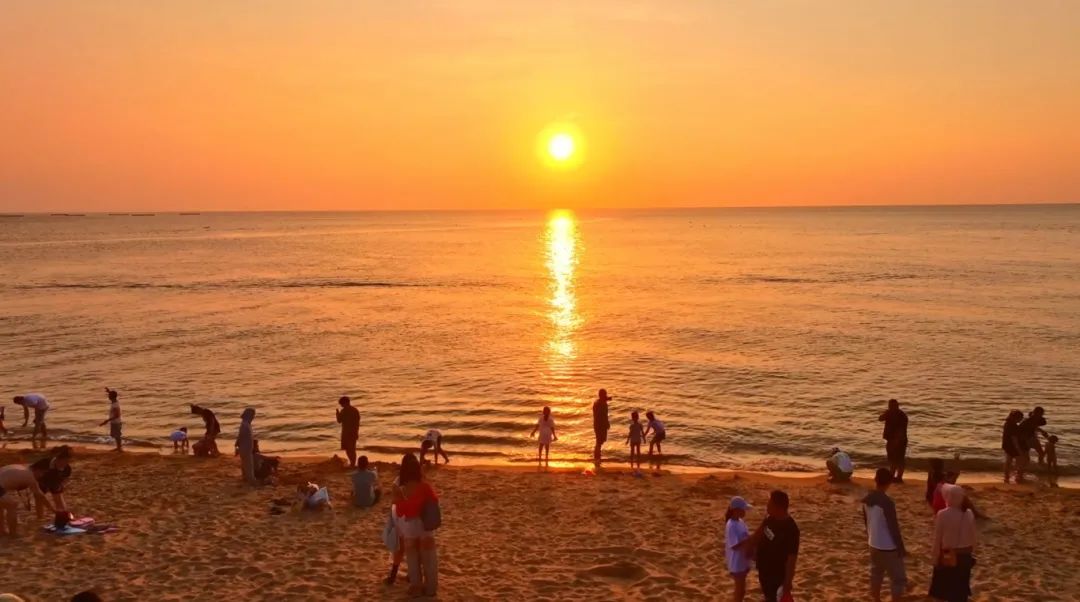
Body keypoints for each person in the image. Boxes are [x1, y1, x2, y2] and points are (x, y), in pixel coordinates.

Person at [393, 453, 439, 597]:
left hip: (410, 527)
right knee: (429, 558)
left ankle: (416, 588)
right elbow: (434, 502)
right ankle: (431, 588)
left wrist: (405, 502)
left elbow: (399, 511)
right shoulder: (425, 487)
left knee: (412, 559)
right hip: (424, 525)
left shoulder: (402, 489)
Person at [741, 490, 799, 602]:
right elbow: (757, 536)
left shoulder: (791, 529)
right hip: (764, 569)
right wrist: (747, 547)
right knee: (768, 596)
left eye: (770, 504)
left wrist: (788, 581)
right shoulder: (770, 519)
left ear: (779, 507)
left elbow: (791, 559)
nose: (767, 506)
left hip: (777, 574)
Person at [864, 467, 907, 602]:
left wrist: (870, 537)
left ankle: (876, 599)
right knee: (898, 579)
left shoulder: (867, 499)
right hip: (888, 547)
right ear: (889, 482)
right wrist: (901, 547)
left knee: (876, 573)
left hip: (873, 543)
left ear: (875, 480)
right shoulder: (887, 503)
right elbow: (893, 527)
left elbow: (866, 522)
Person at [929, 484, 977, 602]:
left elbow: (938, 539)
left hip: (948, 555)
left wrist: (935, 557)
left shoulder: (942, 514)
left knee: (943, 589)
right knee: (960, 590)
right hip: (965, 555)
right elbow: (973, 537)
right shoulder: (969, 513)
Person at [0, 459, 59, 535]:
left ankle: (2, 531)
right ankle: (13, 534)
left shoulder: (24, 468)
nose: (41, 476)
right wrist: (53, 510)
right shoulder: (30, 476)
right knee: (12, 505)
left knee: (2, 505)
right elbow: (39, 495)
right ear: (38, 470)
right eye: (43, 473)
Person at [29, 446, 72, 517]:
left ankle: (62, 515)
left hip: (56, 481)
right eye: (62, 461)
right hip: (42, 481)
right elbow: (32, 469)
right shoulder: (45, 462)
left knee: (58, 497)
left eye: (67, 461)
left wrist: (61, 485)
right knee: (39, 498)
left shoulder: (67, 469)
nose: (64, 464)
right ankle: (40, 516)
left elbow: (65, 479)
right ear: (57, 459)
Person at [725, 496, 753, 602]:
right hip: (736, 563)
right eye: (743, 509)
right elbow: (734, 545)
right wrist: (749, 541)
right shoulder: (731, 525)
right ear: (736, 510)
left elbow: (745, 536)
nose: (745, 512)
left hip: (742, 561)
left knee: (741, 590)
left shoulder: (740, 521)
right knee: (739, 591)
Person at [878, 399, 908, 483]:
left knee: (899, 459)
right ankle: (893, 476)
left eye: (891, 406)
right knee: (893, 459)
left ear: (896, 406)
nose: (890, 407)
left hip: (899, 440)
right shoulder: (889, 413)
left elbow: (901, 430)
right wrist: (887, 412)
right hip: (891, 440)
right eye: (889, 406)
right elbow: (880, 418)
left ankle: (898, 477)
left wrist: (897, 441)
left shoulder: (901, 416)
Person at [335, 395, 361, 468]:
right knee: (352, 449)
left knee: (348, 449)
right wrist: (356, 432)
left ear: (344, 403)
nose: (341, 405)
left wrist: (337, 414)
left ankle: (352, 464)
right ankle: (353, 463)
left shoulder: (344, 411)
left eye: (341, 404)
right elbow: (357, 421)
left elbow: (339, 420)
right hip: (354, 432)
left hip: (346, 433)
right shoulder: (355, 410)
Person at [1002, 410, 1024, 483]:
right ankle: (1018, 476)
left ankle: (1006, 477)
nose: (1021, 419)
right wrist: (1018, 448)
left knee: (1008, 461)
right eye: (1021, 418)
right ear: (1016, 418)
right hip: (1012, 445)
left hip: (1006, 444)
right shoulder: (1013, 426)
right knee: (1020, 461)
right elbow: (1014, 438)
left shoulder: (1007, 423)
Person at [235, 408, 256, 484]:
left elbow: (240, 437)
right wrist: (237, 446)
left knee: (245, 465)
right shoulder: (245, 425)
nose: (253, 417)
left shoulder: (245, 424)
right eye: (252, 415)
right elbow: (240, 437)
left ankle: (246, 478)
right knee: (249, 465)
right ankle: (251, 481)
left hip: (246, 449)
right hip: (245, 449)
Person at [100, 388, 123, 452]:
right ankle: (118, 447)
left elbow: (117, 415)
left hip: (116, 422)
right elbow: (114, 395)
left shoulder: (115, 405)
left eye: (109, 395)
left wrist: (107, 420)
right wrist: (109, 391)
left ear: (111, 397)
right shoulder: (114, 402)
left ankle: (119, 448)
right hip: (114, 422)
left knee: (117, 435)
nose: (108, 396)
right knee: (115, 435)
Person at [592, 389, 611, 465]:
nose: (606, 396)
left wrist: (607, 399)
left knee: (600, 440)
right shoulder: (601, 404)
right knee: (599, 441)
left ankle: (597, 455)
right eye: (605, 394)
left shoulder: (598, 402)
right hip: (600, 425)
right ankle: (597, 457)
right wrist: (607, 423)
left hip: (597, 424)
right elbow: (603, 416)